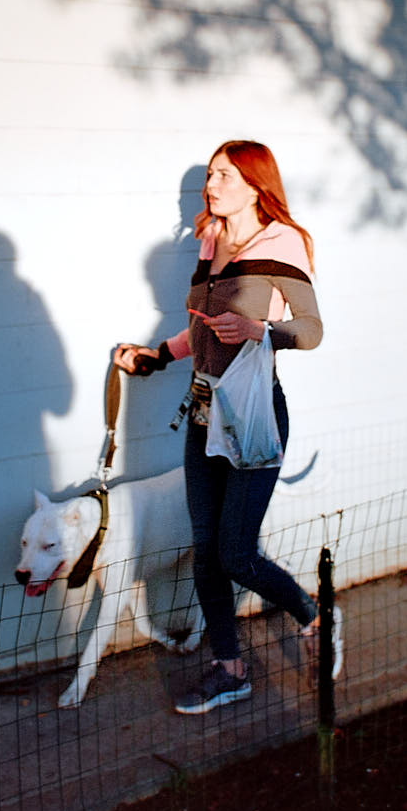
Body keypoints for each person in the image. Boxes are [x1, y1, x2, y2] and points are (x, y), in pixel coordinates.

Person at [113, 140, 339, 714]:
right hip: (203, 412)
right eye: (210, 174)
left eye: (224, 175)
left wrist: (262, 331)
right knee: (206, 551)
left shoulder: (281, 241)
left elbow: (311, 329)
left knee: (236, 553)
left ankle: (314, 615)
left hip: (254, 414)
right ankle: (230, 670)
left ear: (255, 185)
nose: (211, 185)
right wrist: (156, 356)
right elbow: (203, 328)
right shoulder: (210, 239)